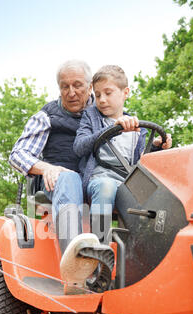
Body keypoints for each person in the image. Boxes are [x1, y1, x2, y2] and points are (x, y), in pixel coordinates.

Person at [9, 60, 109, 294]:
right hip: (61, 182)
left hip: (99, 181)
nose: (71, 92)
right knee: (70, 177)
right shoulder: (47, 116)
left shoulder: (105, 110)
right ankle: (76, 274)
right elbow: (18, 154)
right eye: (65, 87)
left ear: (90, 85)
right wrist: (46, 168)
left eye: (77, 85)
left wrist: (156, 146)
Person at [73, 65, 172, 247]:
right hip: (100, 179)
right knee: (106, 186)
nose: (102, 100)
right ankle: (99, 248)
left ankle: (146, 252)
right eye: (98, 95)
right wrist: (112, 130)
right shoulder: (91, 117)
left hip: (128, 184)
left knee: (162, 196)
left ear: (125, 92)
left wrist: (157, 147)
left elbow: (141, 162)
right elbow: (79, 147)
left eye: (108, 93)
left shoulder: (138, 129)